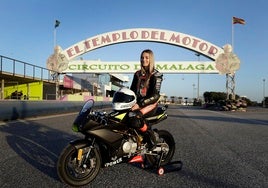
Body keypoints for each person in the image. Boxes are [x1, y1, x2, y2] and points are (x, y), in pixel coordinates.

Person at [129, 49, 163, 149]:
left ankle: (151, 137)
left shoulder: (156, 75)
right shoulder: (137, 74)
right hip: (137, 103)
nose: (144, 59)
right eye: (142, 57)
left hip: (150, 105)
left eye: (147, 57)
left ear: (151, 59)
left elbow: (155, 96)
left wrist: (139, 105)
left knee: (135, 118)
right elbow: (132, 91)